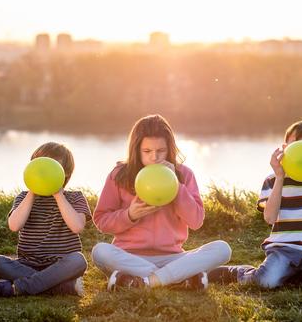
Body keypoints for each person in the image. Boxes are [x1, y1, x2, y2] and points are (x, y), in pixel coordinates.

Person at [91, 114, 231, 291]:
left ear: (170, 149)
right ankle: (177, 277)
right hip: (128, 256)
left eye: (161, 151)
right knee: (100, 252)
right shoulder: (119, 174)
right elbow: (102, 221)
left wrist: (177, 187)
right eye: (147, 151)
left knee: (222, 249)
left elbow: (196, 221)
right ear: (136, 150)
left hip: (172, 257)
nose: (154, 158)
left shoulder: (184, 174)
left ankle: (146, 280)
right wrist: (129, 215)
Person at [209, 120, 302, 288]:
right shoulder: (272, 179)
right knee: (266, 282)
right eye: (296, 144)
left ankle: (293, 275)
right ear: (285, 148)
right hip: (283, 249)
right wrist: (279, 177)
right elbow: (269, 218)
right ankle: (240, 272)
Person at [0, 142, 91, 297]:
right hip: (27, 263)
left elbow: (77, 226)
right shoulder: (24, 197)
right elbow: (14, 225)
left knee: (78, 260)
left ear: (66, 173)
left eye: (52, 167)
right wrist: (32, 191)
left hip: (61, 265)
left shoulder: (75, 197)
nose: (45, 172)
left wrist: (58, 194)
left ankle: (15, 288)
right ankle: (61, 287)